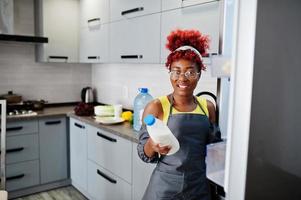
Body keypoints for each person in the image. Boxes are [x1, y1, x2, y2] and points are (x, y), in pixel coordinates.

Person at [137, 29, 217, 200]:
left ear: (199, 74)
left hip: (199, 187)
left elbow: (212, 149)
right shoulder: (156, 107)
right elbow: (143, 153)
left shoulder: (207, 107)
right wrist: (152, 145)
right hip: (165, 189)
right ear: (170, 73)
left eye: (190, 72)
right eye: (176, 71)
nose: (182, 78)